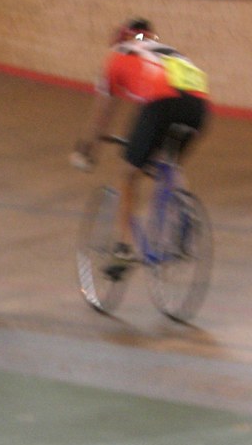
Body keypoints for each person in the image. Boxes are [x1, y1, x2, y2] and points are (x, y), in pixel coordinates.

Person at [71, 18, 210, 266]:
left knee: (128, 174)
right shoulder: (168, 51)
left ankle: (125, 246)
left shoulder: (118, 54)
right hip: (198, 108)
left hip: (161, 104)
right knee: (168, 164)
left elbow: (103, 114)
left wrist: (88, 147)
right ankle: (184, 206)